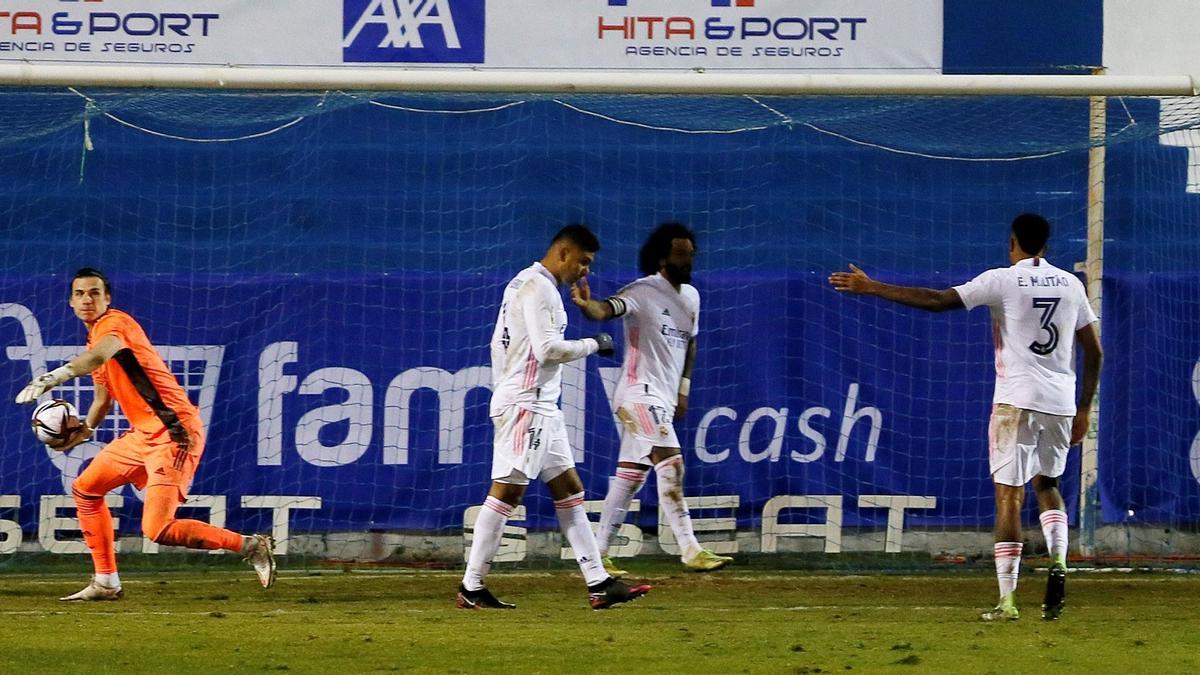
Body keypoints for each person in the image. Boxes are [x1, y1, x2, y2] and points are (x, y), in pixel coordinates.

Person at [828, 214, 1102, 622]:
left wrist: (872, 287)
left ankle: (1008, 601)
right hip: (1060, 403)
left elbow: (938, 301)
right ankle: (1059, 561)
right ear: (1046, 245)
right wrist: (1083, 408)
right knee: (1049, 484)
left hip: (1015, 400)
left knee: (1009, 496)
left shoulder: (1003, 279)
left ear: (1013, 243)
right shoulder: (1072, 284)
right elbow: (1095, 352)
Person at [15, 268, 277, 601]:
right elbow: (102, 398)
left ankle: (250, 545)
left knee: (158, 530)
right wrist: (86, 431)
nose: (87, 299)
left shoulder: (114, 325)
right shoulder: (93, 337)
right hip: (142, 436)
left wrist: (53, 378)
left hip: (174, 432)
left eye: (94, 292)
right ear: (70, 302)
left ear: (107, 298)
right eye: (80, 293)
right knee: (86, 490)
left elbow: (99, 355)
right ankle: (106, 581)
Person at [458, 225, 652, 610]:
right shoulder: (538, 288)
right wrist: (594, 343)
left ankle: (599, 582)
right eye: (583, 261)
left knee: (569, 489)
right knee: (507, 492)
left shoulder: (524, 284)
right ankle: (471, 585)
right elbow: (546, 350)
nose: (585, 271)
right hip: (528, 405)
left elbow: (501, 343)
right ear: (563, 252)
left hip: (540, 404)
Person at [572, 222, 733, 574]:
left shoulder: (692, 297)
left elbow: (691, 342)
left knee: (630, 476)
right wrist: (588, 306)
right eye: (680, 255)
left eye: (690, 255)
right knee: (671, 463)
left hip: (661, 397)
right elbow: (607, 309)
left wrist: (683, 389)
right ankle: (690, 548)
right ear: (661, 256)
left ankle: (597, 554)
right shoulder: (642, 291)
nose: (687, 261)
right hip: (637, 396)